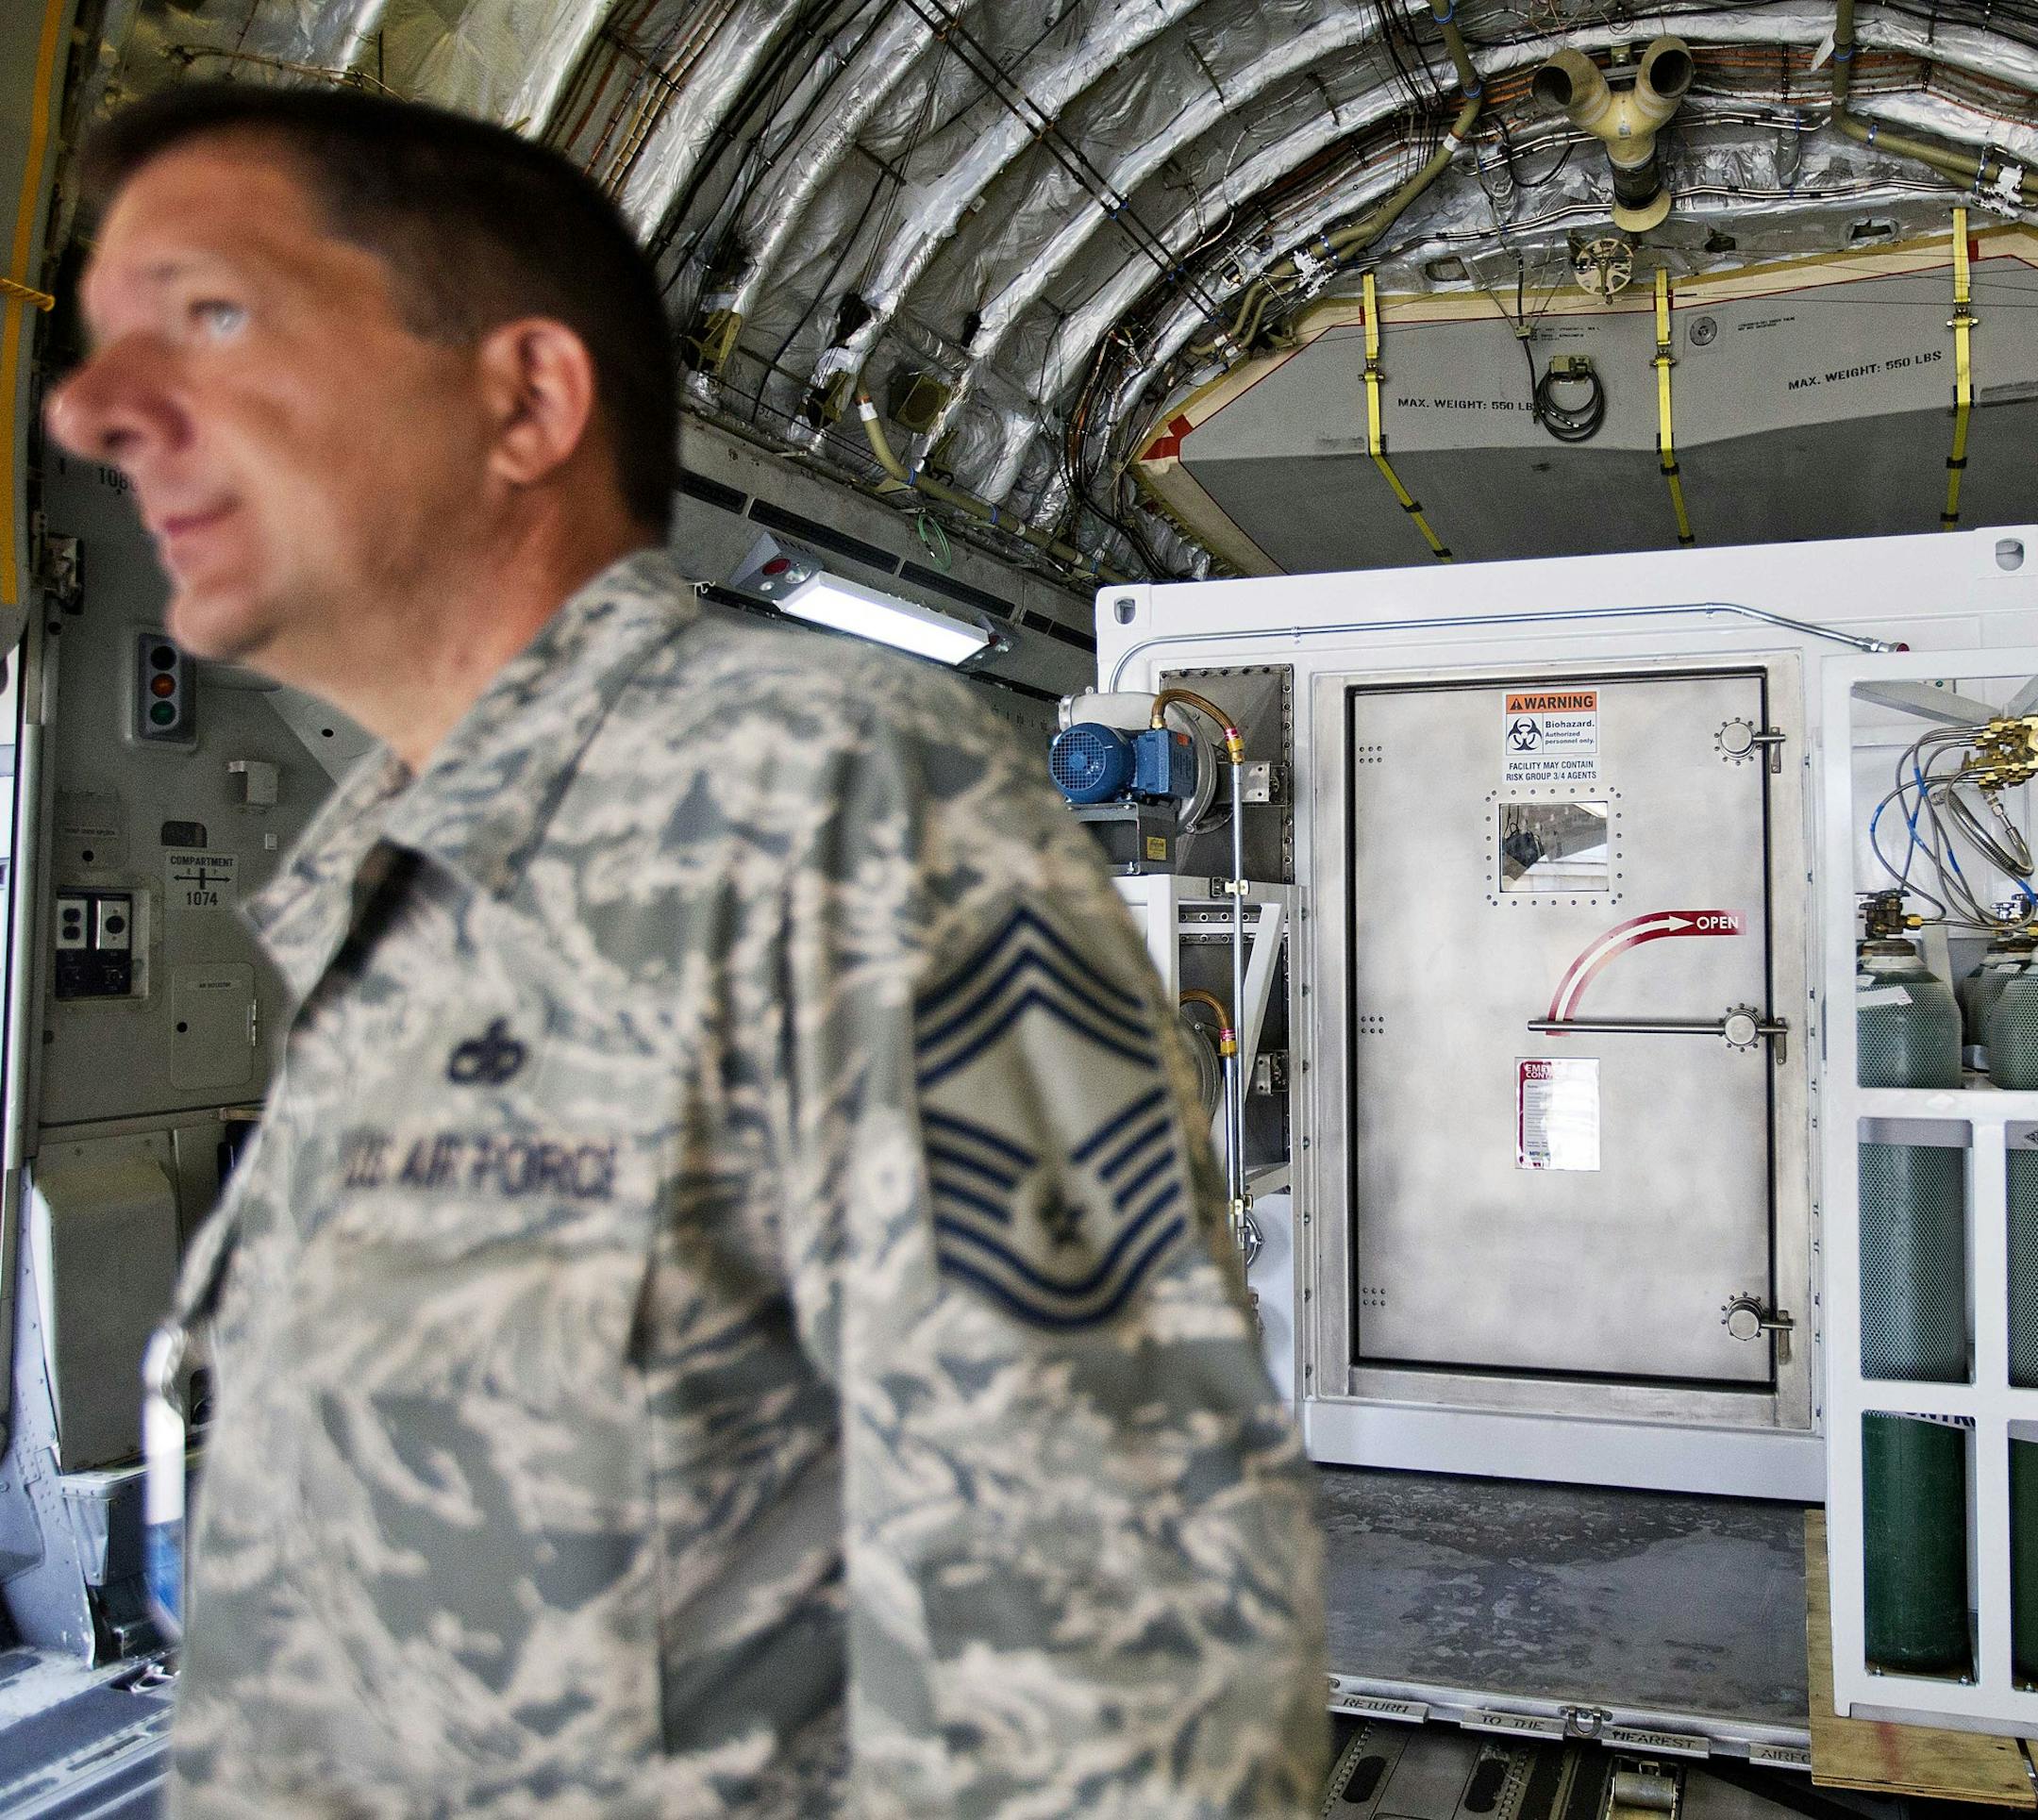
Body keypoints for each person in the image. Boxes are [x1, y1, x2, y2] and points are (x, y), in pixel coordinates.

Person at [48, 84, 1328, 1815]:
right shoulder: (405, 879)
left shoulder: (858, 813)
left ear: (525, 402)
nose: (104, 407)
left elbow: (1131, 1633)